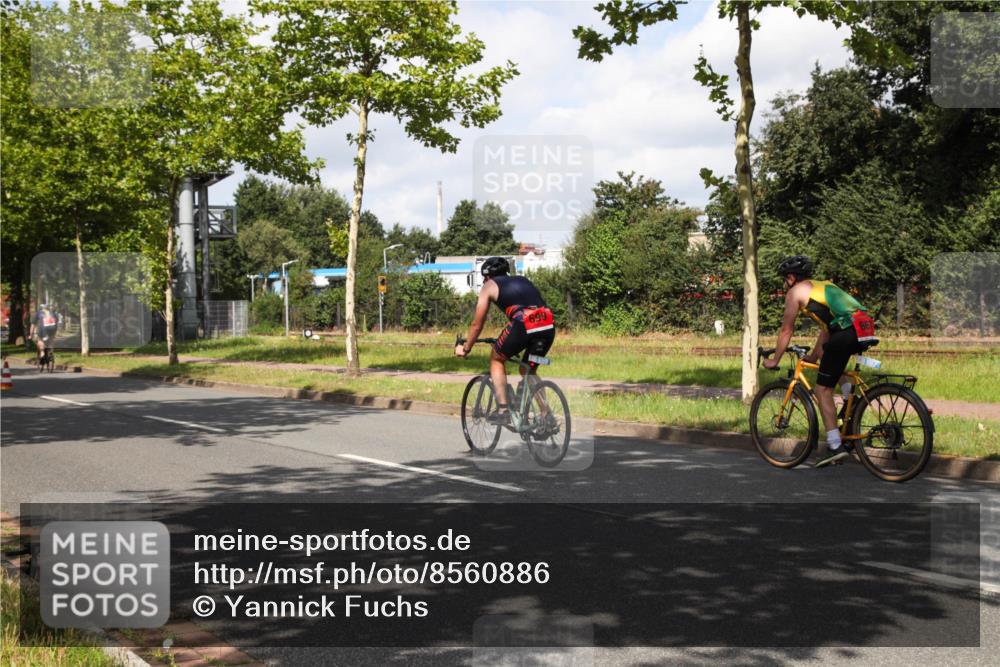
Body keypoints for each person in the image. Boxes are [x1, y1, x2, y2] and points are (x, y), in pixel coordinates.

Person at [762, 255, 878, 468]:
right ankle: (849, 403)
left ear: (790, 277)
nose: (784, 283)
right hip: (864, 326)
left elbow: (786, 329)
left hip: (846, 331)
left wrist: (775, 359)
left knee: (822, 390)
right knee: (828, 357)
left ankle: (834, 446)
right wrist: (814, 356)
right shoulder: (823, 285)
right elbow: (828, 329)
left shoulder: (795, 292)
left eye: (784, 279)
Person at [455, 257, 555, 425]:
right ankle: (547, 414)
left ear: (486, 276)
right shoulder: (522, 279)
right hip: (547, 323)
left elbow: (477, 325)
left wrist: (466, 348)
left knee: (497, 359)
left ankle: (503, 410)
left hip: (523, 324)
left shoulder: (489, 286)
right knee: (528, 369)